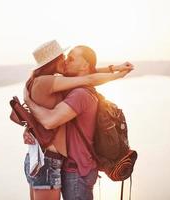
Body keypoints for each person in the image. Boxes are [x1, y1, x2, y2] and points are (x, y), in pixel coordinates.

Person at [22, 40, 133, 200]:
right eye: (64, 57)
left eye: (70, 59)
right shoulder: (54, 83)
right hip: (57, 164)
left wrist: (115, 70)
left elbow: (88, 77)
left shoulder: (76, 92)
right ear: (53, 62)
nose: (65, 61)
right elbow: (88, 76)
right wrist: (115, 72)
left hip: (71, 168)